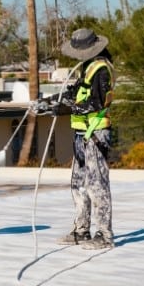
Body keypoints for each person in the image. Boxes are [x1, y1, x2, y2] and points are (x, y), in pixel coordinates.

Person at [52, 28, 116, 250]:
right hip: (81, 133)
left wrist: (69, 107)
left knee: (97, 184)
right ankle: (82, 230)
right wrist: (53, 101)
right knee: (78, 183)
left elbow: (97, 102)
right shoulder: (87, 67)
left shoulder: (101, 69)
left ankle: (105, 235)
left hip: (96, 133)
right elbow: (76, 93)